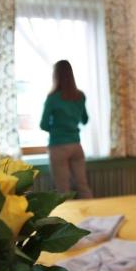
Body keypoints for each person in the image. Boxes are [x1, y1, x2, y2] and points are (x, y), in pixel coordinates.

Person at [40, 60, 93, 198]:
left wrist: (57, 126)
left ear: (55, 75)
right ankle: (93, 217)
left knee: (63, 190)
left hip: (58, 146)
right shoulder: (80, 96)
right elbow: (85, 120)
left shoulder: (52, 98)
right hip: (76, 145)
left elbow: (43, 125)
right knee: (83, 186)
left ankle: (67, 219)